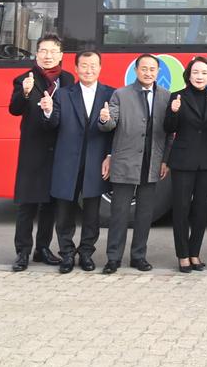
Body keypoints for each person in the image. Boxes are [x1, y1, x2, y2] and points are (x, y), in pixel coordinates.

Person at [99, 53, 171, 274]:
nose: (148, 73)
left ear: (158, 72)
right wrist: (104, 119)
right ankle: (113, 257)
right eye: (144, 69)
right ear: (136, 71)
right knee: (119, 213)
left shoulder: (166, 97)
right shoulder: (121, 94)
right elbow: (110, 124)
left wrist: (165, 160)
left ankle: (139, 256)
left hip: (152, 162)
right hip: (125, 162)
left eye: (152, 69)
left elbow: (170, 133)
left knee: (144, 214)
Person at [7, 34, 72, 272]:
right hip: (33, 149)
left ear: (61, 55)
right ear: (37, 54)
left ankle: (42, 249)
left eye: (53, 51)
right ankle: (22, 251)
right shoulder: (25, 79)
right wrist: (24, 94)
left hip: (59, 148)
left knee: (50, 204)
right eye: (43, 51)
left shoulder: (67, 79)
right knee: (28, 204)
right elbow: (14, 110)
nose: (48, 56)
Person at [46, 49, 114, 273]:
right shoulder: (63, 94)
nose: (88, 70)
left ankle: (86, 253)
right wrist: (47, 112)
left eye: (93, 65)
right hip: (67, 162)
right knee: (64, 211)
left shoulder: (111, 94)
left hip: (95, 162)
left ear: (100, 68)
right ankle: (66, 253)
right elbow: (52, 124)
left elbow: (116, 131)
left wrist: (110, 155)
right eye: (84, 66)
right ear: (75, 69)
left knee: (92, 213)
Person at [162, 57, 207, 273]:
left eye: (204, 73)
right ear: (189, 75)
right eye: (195, 72)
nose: (199, 76)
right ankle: (182, 255)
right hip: (182, 161)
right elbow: (169, 127)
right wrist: (173, 112)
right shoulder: (177, 97)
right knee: (181, 209)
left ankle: (195, 252)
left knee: (201, 210)